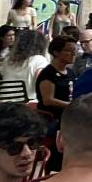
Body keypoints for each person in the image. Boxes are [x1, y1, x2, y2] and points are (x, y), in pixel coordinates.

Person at [33, 33, 79, 169]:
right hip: (53, 119)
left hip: (69, 116)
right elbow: (48, 100)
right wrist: (70, 105)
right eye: (69, 50)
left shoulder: (70, 73)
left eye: (75, 51)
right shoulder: (48, 74)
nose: (73, 54)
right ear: (56, 52)